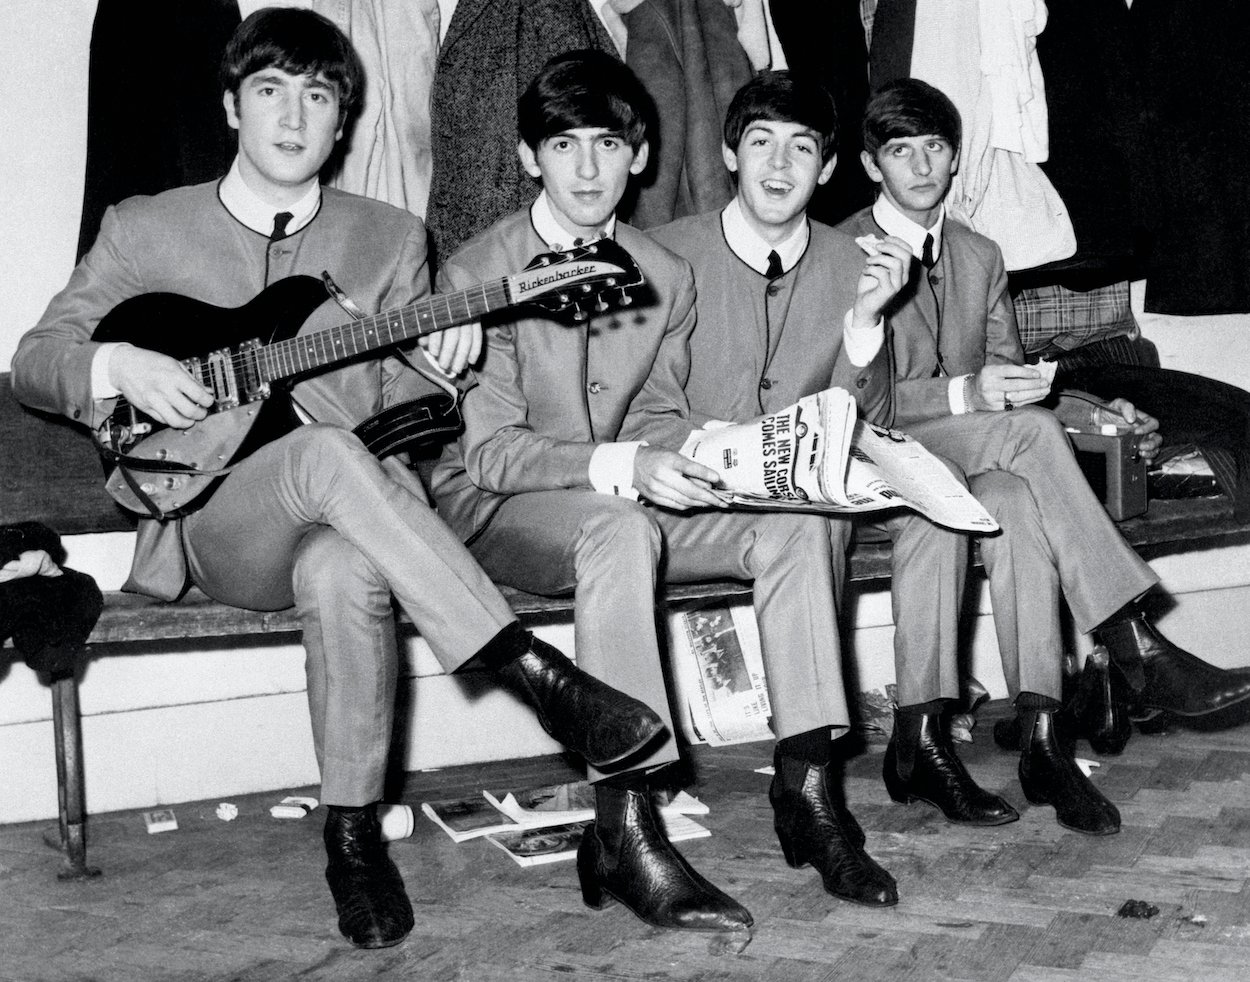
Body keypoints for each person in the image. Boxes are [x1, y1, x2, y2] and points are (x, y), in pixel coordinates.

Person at [12, 9, 668, 951]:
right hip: (207, 520)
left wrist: (444, 364)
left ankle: (353, 839)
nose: (293, 115)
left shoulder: (391, 239)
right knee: (322, 461)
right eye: (271, 91)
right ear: (232, 106)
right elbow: (40, 359)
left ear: (343, 118)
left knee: (343, 568)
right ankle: (535, 672)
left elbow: (399, 417)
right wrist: (117, 367)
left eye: (317, 96)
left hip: (335, 520)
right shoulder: (146, 227)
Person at [431, 50, 897, 930]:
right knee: (617, 528)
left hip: (624, 509)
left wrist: (723, 459)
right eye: (562, 146)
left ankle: (809, 791)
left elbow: (655, 416)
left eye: (608, 145)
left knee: (796, 525)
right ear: (529, 157)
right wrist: (624, 469)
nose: (586, 169)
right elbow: (489, 454)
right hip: (503, 514)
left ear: (638, 157)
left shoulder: (661, 270)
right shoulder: (477, 274)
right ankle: (629, 824)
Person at [837, 77, 1250, 833]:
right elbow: (854, 401)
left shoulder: (978, 252)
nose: (923, 165)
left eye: (935, 148)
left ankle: (1035, 738)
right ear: (872, 166)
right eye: (901, 151)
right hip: (876, 449)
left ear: (956, 157)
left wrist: (1097, 411)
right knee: (1027, 438)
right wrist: (966, 393)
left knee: (1021, 504)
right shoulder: (842, 251)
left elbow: (1015, 384)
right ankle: (1132, 642)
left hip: (973, 453)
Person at [650, 70, 1020, 879]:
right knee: (804, 523)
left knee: (935, 506)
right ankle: (811, 786)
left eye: (801, 148)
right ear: (727, 155)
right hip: (702, 494)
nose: (779, 167)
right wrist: (713, 442)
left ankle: (921, 737)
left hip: (814, 482)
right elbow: (632, 403)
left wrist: (862, 326)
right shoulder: (668, 255)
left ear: (825, 170)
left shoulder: (850, 259)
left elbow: (874, 410)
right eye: (760, 144)